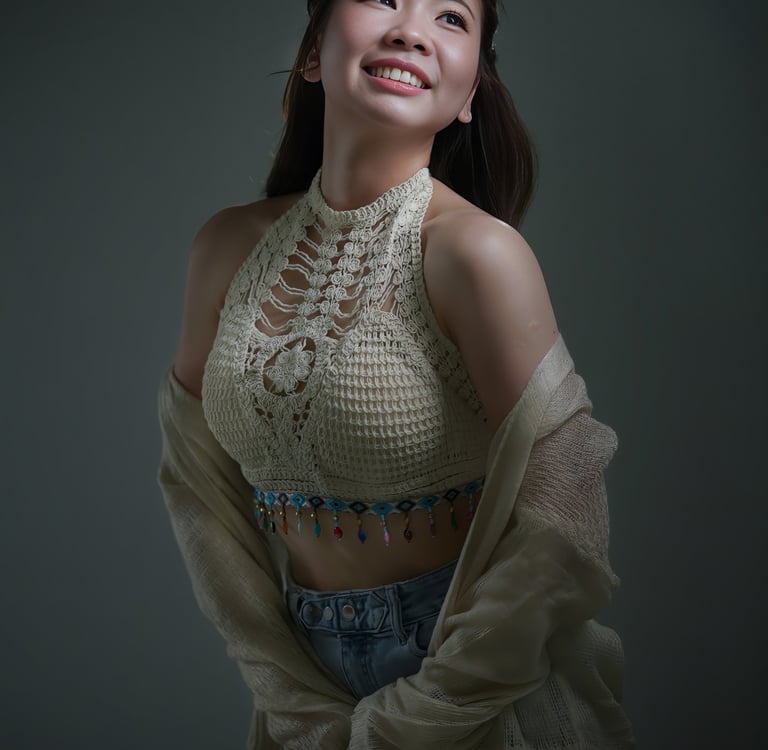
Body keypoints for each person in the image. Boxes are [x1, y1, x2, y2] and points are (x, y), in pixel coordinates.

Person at [157, 1, 636, 747]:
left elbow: (565, 523)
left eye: (451, 16)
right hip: (301, 677)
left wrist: (424, 710)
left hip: (472, 679)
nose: (411, 29)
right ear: (313, 52)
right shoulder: (226, 247)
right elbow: (197, 488)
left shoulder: (477, 255)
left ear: (470, 92)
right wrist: (283, 685)